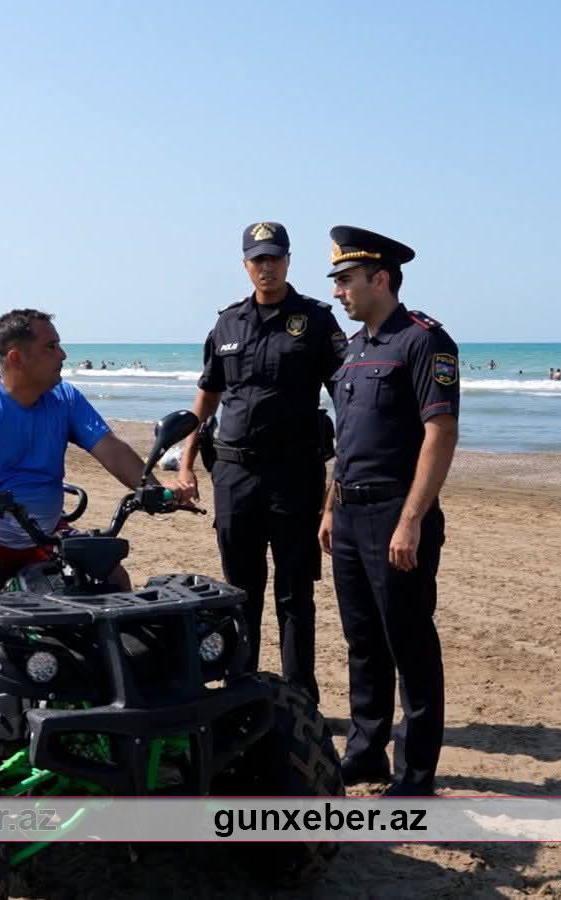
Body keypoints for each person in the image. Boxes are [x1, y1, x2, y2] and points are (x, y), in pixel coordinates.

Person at [0, 309, 183, 611]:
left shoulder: (65, 398)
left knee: (113, 580)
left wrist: (153, 488)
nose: (63, 355)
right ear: (17, 358)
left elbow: (110, 448)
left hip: (45, 532)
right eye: (51, 347)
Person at [174, 221, 346, 703]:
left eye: (274, 258)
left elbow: (347, 397)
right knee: (240, 590)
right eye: (257, 259)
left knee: (294, 593)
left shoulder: (315, 321)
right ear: (245, 264)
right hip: (234, 475)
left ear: (288, 260)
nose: (266, 267)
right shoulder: (227, 323)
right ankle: (240, 688)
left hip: (294, 474)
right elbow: (206, 398)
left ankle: (299, 697)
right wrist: (186, 463)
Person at [319, 225, 460, 797]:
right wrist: (331, 507)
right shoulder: (354, 349)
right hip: (350, 515)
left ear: (381, 279)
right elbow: (350, 440)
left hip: (395, 518)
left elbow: (441, 433)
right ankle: (366, 751)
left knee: (409, 644)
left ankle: (416, 775)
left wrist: (411, 520)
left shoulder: (425, 341)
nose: (338, 292)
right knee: (362, 642)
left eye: (346, 280)